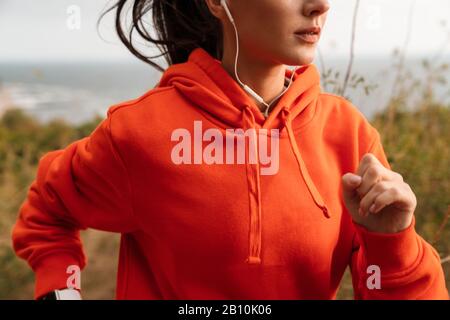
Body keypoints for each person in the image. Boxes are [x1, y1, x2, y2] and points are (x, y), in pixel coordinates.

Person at [12, 0, 448, 300]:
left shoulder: (347, 134)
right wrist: (60, 289)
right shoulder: (141, 133)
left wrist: (393, 243)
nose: (320, 4)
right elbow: (47, 210)